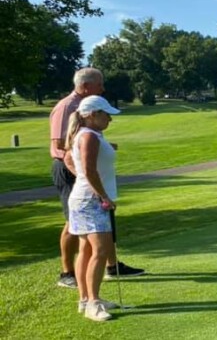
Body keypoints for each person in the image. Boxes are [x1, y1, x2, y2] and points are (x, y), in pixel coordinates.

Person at [49, 68, 144, 288]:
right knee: (74, 221)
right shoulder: (67, 107)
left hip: (85, 167)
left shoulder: (92, 113)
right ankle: (67, 273)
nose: (103, 88)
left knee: (100, 223)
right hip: (67, 168)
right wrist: (84, 170)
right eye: (99, 84)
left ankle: (112, 266)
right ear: (85, 86)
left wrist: (101, 147)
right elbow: (60, 145)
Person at [65, 95, 123, 321]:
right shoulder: (88, 135)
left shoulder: (88, 134)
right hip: (91, 201)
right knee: (100, 251)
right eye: (106, 114)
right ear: (92, 115)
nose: (110, 118)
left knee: (87, 250)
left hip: (84, 198)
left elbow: (71, 160)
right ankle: (93, 303)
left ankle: (86, 299)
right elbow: (89, 170)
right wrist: (104, 196)